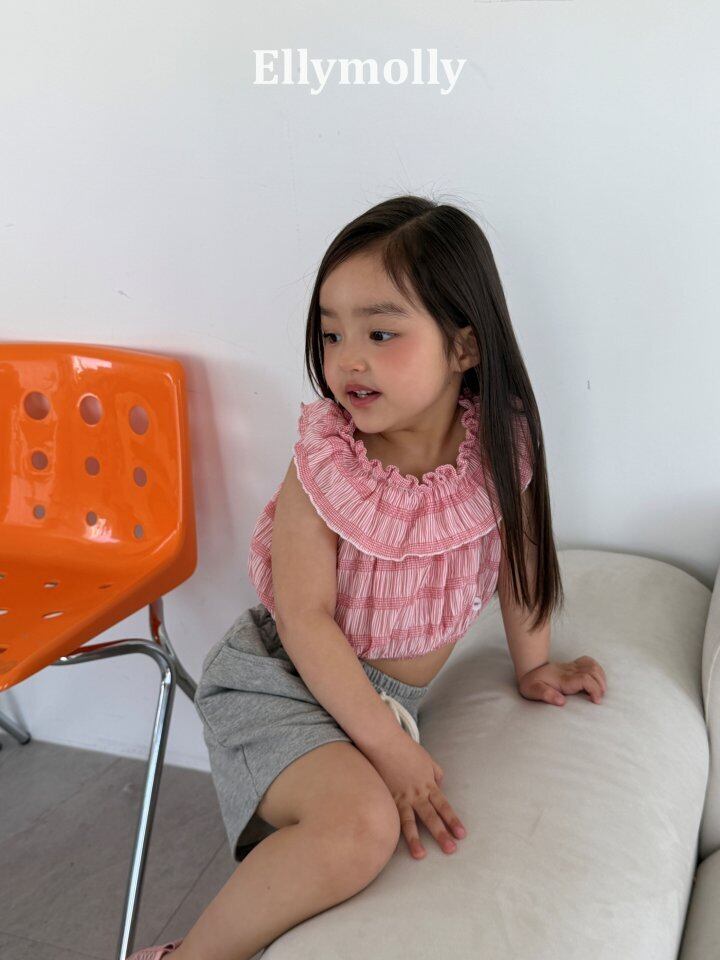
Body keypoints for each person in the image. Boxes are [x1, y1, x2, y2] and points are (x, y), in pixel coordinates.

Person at [128, 194, 607, 960]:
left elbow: (518, 559)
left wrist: (534, 664)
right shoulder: (327, 464)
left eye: (380, 333)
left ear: (464, 347)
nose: (348, 358)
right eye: (332, 333)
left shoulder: (498, 445)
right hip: (281, 683)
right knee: (360, 828)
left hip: (372, 700)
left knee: (361, 822)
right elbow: (303, 619)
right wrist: (390, 748)